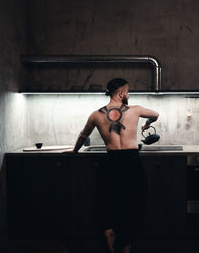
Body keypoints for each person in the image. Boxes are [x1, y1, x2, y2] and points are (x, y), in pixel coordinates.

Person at [68, 78, 159, 253]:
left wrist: (74, 152)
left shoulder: (96, 114)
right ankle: (125, 241)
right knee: (134, 200)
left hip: (112, 161)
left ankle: (110, 232)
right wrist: (148, 124)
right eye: (128, 91)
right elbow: (156, 114)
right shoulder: (135, 110)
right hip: (131, 161)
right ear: (120, 93)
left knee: (110, 200)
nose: (129, 95)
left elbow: (82, 135)